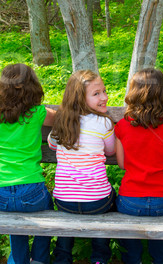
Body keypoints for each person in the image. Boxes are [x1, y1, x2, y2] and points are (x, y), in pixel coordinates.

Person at [0, 63, 56, 264]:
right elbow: (58, 118)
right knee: (48, 208)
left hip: (0, 194)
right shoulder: (37, 113)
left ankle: (18, 261)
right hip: (32, 189)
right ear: (32, 87)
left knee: (16, 220)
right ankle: (39, 259)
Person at [114, 68, 163, 264]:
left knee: (129, 242)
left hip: (130, 200)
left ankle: (132, 260)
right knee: (161, 243)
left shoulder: (123, 125)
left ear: (133, 92)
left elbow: (121, 164)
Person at [47, 70, 116, 264]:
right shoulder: (104, 122)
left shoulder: (62, 121)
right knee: (112, 201)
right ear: (79, 98)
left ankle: (62, 258)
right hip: (98, 201)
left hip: (64, 200)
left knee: (65, 223)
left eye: (104, 91)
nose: (104, 97)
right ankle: (99, 258)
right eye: (96, 94)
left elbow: (52, 144)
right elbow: (110, 151)